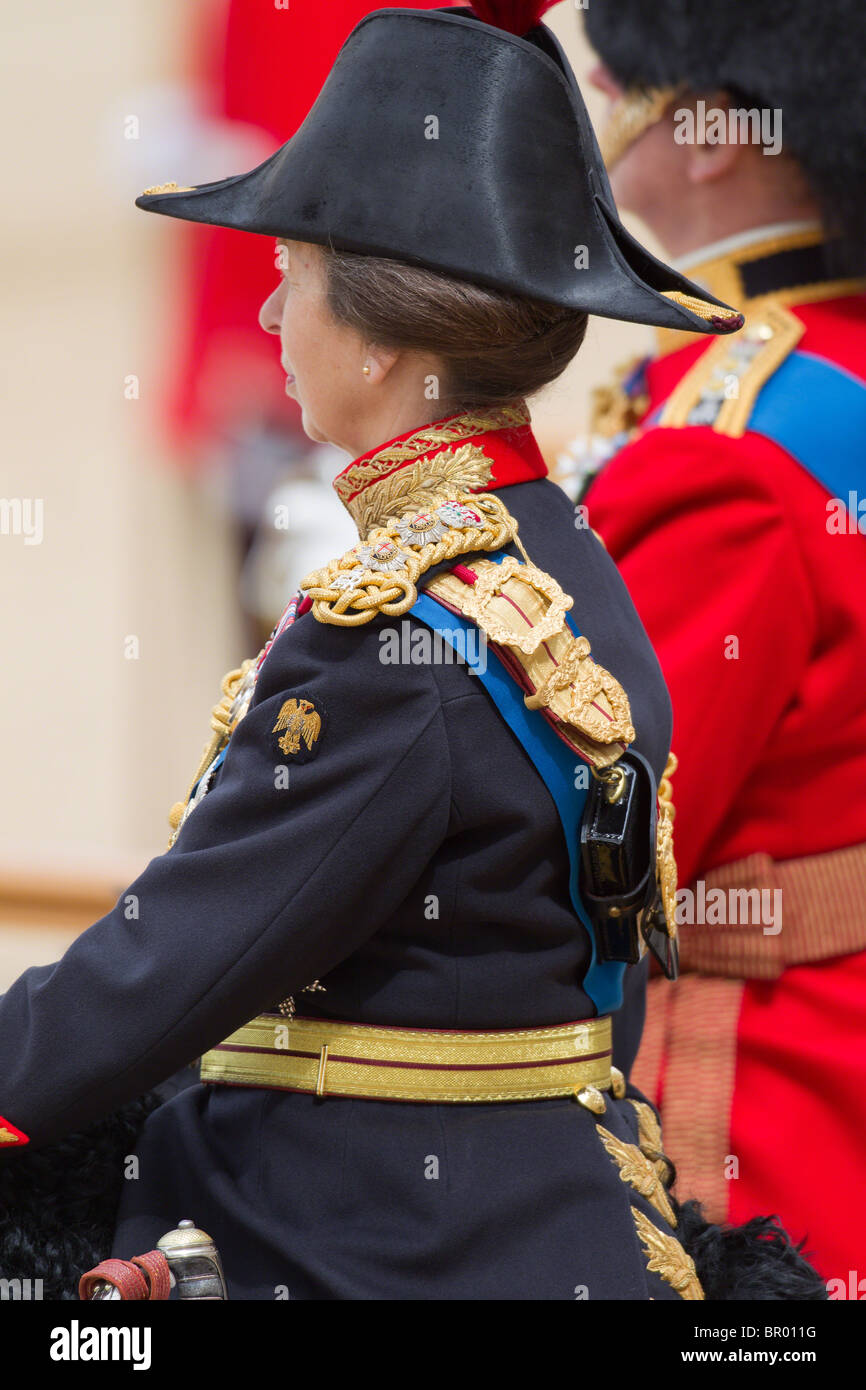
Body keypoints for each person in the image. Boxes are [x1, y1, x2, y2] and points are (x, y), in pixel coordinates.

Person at [0, 2, 822, 1301]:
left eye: (295, 273)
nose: (269, 308)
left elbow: (174, 958)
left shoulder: (397, 636)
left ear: (381, 341)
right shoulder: (554, 555)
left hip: (385, 1240)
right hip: (531, 1212)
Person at [573, 0, 866, 1291]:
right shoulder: (805, 383)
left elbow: (585, 833)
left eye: (619, 73)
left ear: (708, 133)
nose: (596, 91)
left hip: (753, 1108)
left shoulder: (734, 446)